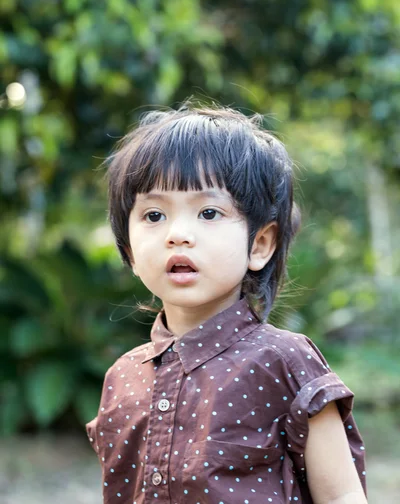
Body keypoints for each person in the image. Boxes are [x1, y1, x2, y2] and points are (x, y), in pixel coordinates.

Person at [86, 101, 368, 504]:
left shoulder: (284, 362)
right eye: (153, 215)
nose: (178, 234)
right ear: (129, 250)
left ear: (260, 244)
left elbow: (342, 497)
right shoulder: (123, 376)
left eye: (209, 212)